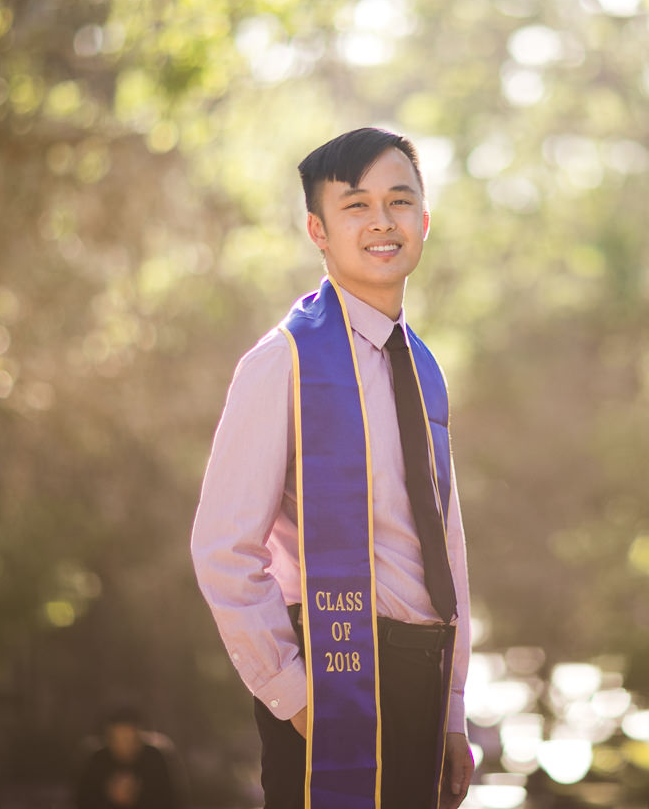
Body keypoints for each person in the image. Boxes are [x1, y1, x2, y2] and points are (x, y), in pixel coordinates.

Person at [191, 128, 474, 809]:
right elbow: (222, 548)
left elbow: (447, 549)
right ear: (317, 229)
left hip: (419, 680)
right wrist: (293, 695)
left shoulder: (422, 367)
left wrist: (453, 709)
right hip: (333, 676)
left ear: (424, 222)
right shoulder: (284, 363)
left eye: (399, 202)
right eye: (356, 206)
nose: (382, 222)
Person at [73, 707, 178, 809]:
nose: (124, 746)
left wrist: (138, 794)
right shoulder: (97, 760)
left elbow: (172, 800)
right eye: (117, 740)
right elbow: (82, 801)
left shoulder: (155, 759)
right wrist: (108, 795)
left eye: (129, 739)